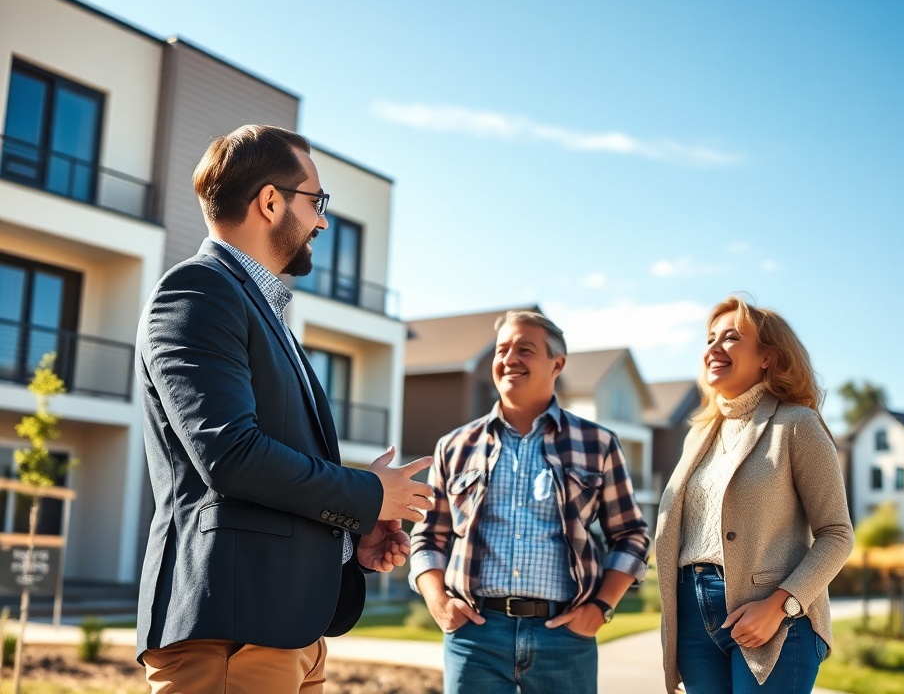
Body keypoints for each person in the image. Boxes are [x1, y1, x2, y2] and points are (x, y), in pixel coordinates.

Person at [135, 124, 433, 693]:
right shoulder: (197, 293)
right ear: (270, 202)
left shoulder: (259, 310)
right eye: (316, 202)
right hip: (230, 633)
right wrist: (367, 493)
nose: (322, 220)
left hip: (282, 633)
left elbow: (268, 475)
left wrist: (349, 533)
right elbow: (230, 455)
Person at [408, 310, 650, 694]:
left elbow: (632, 535)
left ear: (558, 363)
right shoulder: (454, 447)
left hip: (565, 639)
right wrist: (438, 601)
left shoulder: (598, 444)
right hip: (476, 637)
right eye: (502, 349)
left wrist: (601, 608)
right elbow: (426, 537)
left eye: (525, 349)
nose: (509, 359)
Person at [655, 296, 854, 694]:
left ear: (767, 357)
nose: (713, 348)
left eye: (730, 338)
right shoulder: (697, 436)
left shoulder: (797, 425)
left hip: (775, 619)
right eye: (710, 338)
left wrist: (780, 606)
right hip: (693, 619)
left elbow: (837, 535)